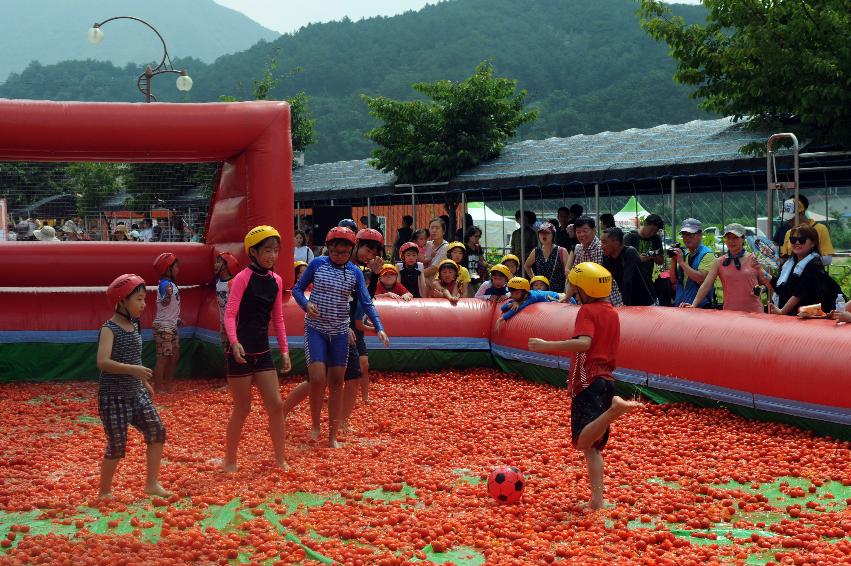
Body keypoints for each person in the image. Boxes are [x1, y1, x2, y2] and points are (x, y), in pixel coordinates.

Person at [528, 262, 642, 510]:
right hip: (607, 379)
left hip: (589, 378)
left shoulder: (587, 311)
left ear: (585, 289)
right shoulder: (611, 311)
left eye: (575, 286)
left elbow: (584, 345)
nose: (572, 291)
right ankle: (597, 501)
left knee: (581, 440)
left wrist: (546, 345)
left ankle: (615, 411)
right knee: (592, 447)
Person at [289, 227, 388, 448]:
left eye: (344, 252)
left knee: (337, 382)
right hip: (316, 328)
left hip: (341, 331)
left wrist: (379, 326)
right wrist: (306, 305)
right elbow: (297, 289)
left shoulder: (355, 272)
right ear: (328, 248)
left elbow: (366, 301)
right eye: (335, 252)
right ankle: (315, 425)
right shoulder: (317, 264)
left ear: (350, 250)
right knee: (316, 378)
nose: (339, 256)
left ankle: (332, 434)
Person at [222, 226, 291, 472]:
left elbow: (279, 319)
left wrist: (284, 350)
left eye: (275, 251)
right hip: (240, 352)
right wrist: (234, 341)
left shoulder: (276, 281)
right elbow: (230, 315)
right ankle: (229, 459)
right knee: (243, 408)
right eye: (266, 251)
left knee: (276, 405)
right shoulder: (242, 278)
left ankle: (280, 458)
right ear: (253, 252)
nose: (272, 256)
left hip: (262, 352)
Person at [97, 274, 170, 500]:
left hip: (135, 393)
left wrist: (143, 381)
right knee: (117, 446)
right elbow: (103, 362)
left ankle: (151, 483)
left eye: (144, 299)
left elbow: (134, 358)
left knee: (157, 431)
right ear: (121, 301)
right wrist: (133, 371)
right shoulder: (109, 328)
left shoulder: (134, 325)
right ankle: (105, 491)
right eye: (138, 299)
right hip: (113, 397)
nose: (143, 304)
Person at [685, 224, 771, 312]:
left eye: (735, 238)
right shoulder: (719, 262)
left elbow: (768, 284)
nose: (731, 241)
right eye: (728, 238)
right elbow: (706, 285)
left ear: (743, 239)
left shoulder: (754, 259)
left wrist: (762, 288)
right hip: (730, 313)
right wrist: (693, 304)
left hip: (754, 312)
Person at [769, 224, 837, 316]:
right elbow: (777, 286)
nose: (797, 243)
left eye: (802, 240)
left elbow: (799, 292)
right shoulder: (789, 264)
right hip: (794, 316)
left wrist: (782, 311)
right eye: (793, 240)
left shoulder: (814, 265)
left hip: (809, 318)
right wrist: (759, 269)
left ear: (813, 243)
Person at [668, 218, 715, 309]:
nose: (687, 238)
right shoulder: (684, 254)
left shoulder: (707, 254)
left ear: (700, 234)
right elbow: (673, 280)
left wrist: (681, 262)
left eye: (691, 235)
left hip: (699, 307)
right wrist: (674, 260)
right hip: (681, 305)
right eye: (684, 234)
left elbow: (701, 279)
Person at [151, 252, 180, 393]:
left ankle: (168, 384)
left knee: (174, 356)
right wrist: (167, 296)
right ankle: (159, 387)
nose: (178, 269)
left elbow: (169, 306)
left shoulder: (171, 284)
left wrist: (177, 319)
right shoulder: (165, 284)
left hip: (172, 325)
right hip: (164, 327)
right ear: (168, 268)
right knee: (163, 357)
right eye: (176, 266)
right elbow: (165, 301)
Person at [600, 227, 650, 307]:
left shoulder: (630, 252)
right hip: (625, 302)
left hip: (645, 303)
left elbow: (627, 281)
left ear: (616, 243)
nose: (601, 246)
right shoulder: (606, 257)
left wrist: (625, 305)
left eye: (604, 242)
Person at [778, 198, 834, 265]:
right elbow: (786, 257)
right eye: (787, 219)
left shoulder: (820, 229)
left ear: (803, 212)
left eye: (792, 218)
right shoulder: (789, 233)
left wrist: (801, 262)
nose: (789, 221)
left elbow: (827, 260)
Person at [496, 277, 566, 330]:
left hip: (558, 296)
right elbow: (503, 308)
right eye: (512, 293)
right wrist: (512, 303)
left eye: (517, 293)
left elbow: (519, 308)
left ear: (525, 292)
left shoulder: (532, 297)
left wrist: (501, 319)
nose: (514, 296)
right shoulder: (519, 296)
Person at [524, 222, 568, 293]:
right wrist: (534, 279)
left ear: (553, 235)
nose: (543, 235)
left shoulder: (561, 251)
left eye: (547, 233)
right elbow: (527, 266)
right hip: (541, 293)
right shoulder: (536, 251)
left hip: (558, 293)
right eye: (541, 233)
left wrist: (566, 292)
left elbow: (568, 274)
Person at [214, 251, 239, 354]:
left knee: (234, 351)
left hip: (234, 323)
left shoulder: (233, 283)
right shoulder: (218, 281)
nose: (215, 264)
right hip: (223, 323)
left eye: (218, 262)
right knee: (226, 352)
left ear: (225, 265)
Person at [463, 226, 488, 291]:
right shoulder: (463, 248)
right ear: (469, 236)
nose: (478, 238)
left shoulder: (478, 248)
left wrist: (491, 266)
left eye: (479, 236)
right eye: (476, 236)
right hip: (465, 278)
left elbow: (482, 262)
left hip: (475, 278)